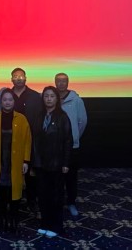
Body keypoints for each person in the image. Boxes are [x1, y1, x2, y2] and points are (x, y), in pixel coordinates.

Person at [0, 89, 32, 233]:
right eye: (5, 100)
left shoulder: (22, 119)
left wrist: (26, 161)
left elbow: (27, 141)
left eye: (10, 100)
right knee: (0, 190)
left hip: (16, 161)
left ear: (14, 102)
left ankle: (13, 219)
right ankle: (2, 218)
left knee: (14, 191)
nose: (7, 102)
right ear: (1, 102)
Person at [33, 87, 73, 238]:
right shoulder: (39, 116)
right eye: (46, 96)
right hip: (41, 163)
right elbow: (35, 140)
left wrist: (66, 163)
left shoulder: (62, 117)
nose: (49, 99)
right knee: (43, 195)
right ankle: (45, 223)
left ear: (57, 99)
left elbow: (68, 141)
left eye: (52, 96)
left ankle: (56, 226)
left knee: (56, 196)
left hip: (57, 163)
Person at [10, 68, 43, 215]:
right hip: (10, 139)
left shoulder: (35, 96)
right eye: (15, 76)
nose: (18, 78)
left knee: (30, 172)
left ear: (26, 78)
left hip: (30, 139)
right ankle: (12, 200)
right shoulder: (7, 95)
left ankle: (31, 201)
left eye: (21, 76)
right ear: (11, 79)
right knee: (11, 170)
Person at [55, 72, 88, 217]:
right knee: (55, 177)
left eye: (64, 81)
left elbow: (82, 122)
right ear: (55, 82)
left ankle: (71, 203)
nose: (61, 83)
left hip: (71, 148)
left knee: (71, 177)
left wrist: (74, 138)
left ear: (68, 82)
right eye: (58, 80)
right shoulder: (51, 98)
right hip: (55, 147)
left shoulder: (76, 100)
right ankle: (56, 202)